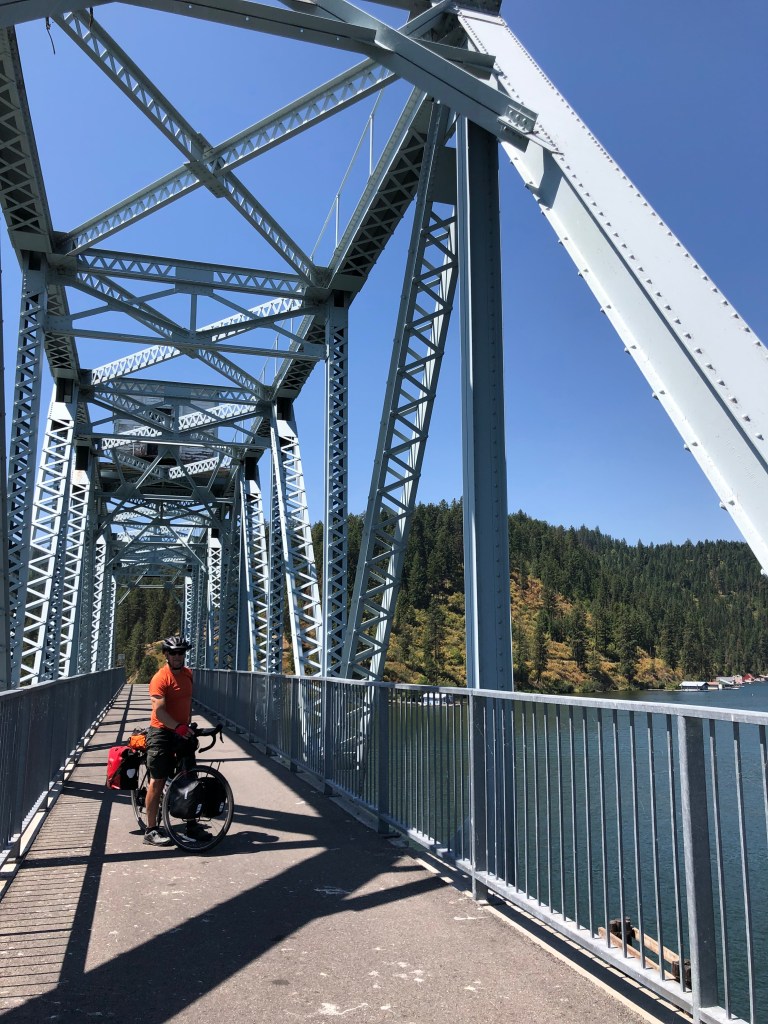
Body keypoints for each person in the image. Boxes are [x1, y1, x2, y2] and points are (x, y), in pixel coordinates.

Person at [143, 635, 197, 846]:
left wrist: (188, 726)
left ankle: (191, 825)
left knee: (189, 778)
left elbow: (187, 702)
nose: (177, 656)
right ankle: (150, 830)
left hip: (181, 731)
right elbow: (160, 711)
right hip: (162, 732)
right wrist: (177, 727)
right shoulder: (160, 678)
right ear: (166, 654)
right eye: (173, 653)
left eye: (181, 652)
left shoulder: (188, 674)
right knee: (157, 780)